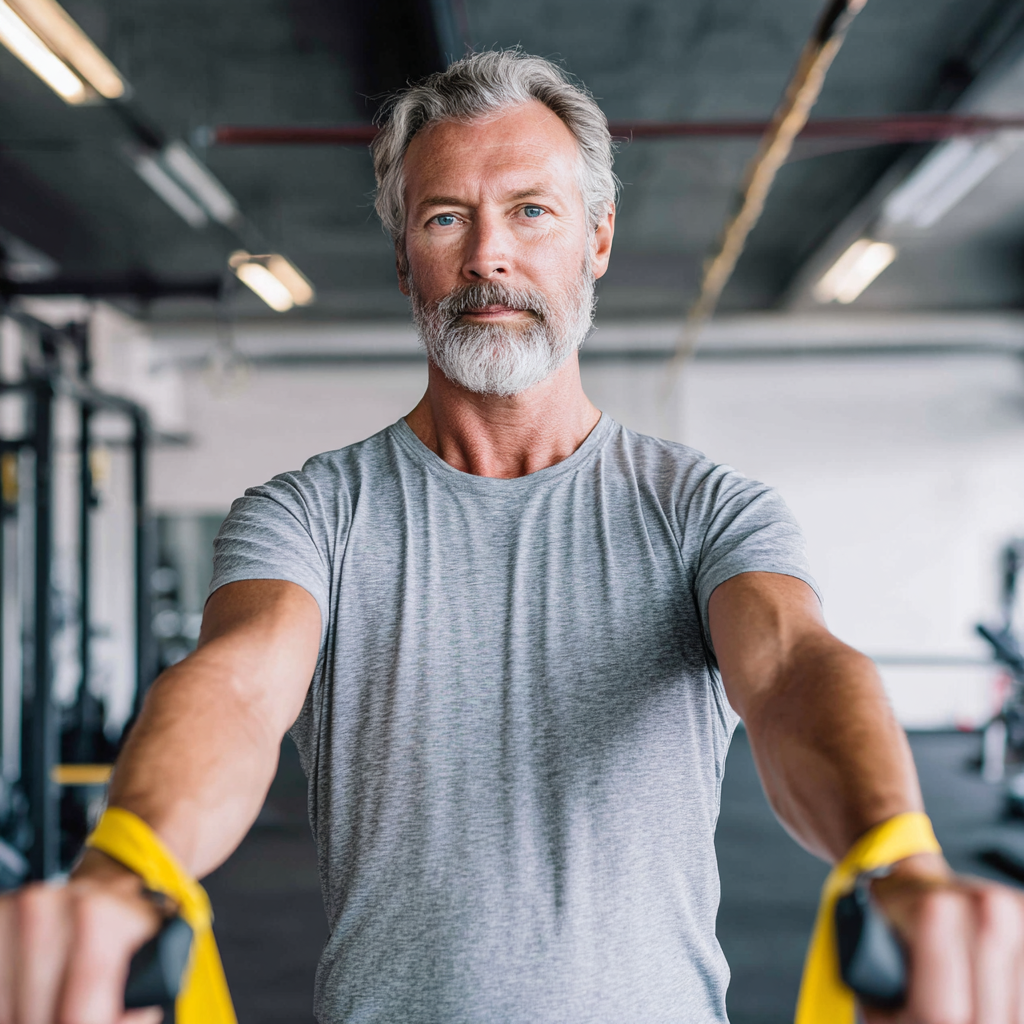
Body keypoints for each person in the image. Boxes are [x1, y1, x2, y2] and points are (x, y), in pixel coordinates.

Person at [3, 48, 1024, 1024]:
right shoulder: (308, 514)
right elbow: (233, 683)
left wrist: (896, 852)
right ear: (407, 262)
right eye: (447, 217)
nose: (489, 252)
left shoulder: (707, 509)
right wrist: (129, 861)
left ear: (597, 240)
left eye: (531, 211)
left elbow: (794, 665)